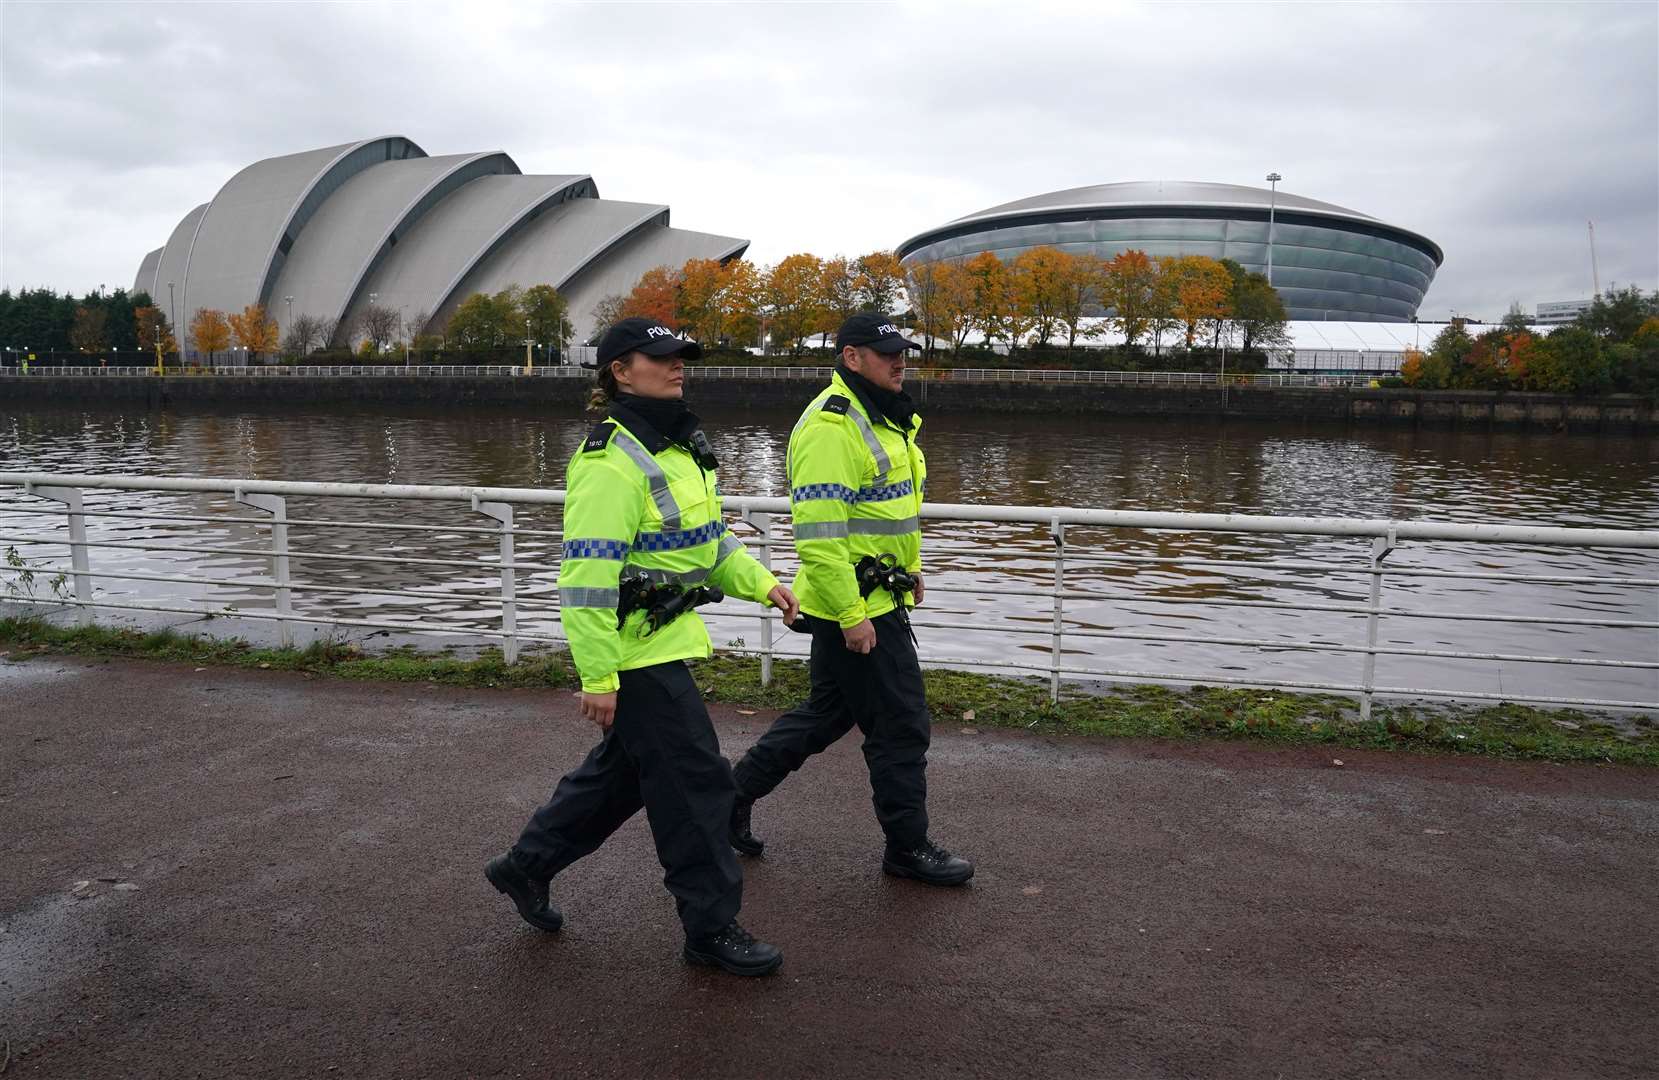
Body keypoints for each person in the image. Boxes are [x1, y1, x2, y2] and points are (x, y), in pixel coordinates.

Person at [485, 317, 800, 977]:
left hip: (665, 639)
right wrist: (598, 675)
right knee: (696, 786)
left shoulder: (680, 449)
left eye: (682, 354)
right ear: (619, 371)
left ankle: (526, 866)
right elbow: (585, 577)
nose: (677, 364)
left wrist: (763, 583)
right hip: (634, 654)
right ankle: (710, 929)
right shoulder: (610, 462)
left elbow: (708, 545)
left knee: (624, 775)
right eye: (660, 357)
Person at [728, 313, 973, 887]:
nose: (899, 360)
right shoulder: (831, 429)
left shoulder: (883, 419)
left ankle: (727, 801)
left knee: (825, 715)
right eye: (885, 352)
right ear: (851, 357)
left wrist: (908, 570)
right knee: (901, 726)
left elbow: (887, 512)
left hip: (872, 600)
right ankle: (908, 848)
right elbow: (819, 537)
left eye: (902, 351)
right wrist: (852, 615)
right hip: (853, 610)